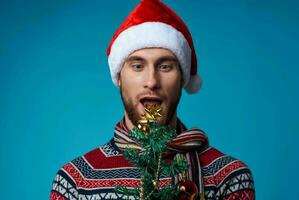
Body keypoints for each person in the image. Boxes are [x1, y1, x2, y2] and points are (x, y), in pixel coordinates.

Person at [50, 0, 255, 199]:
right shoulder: (76, 181)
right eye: (138, 66)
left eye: (165, 66)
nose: (151, 81)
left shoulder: (229, 178)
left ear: (182, 78)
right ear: (119, 78)